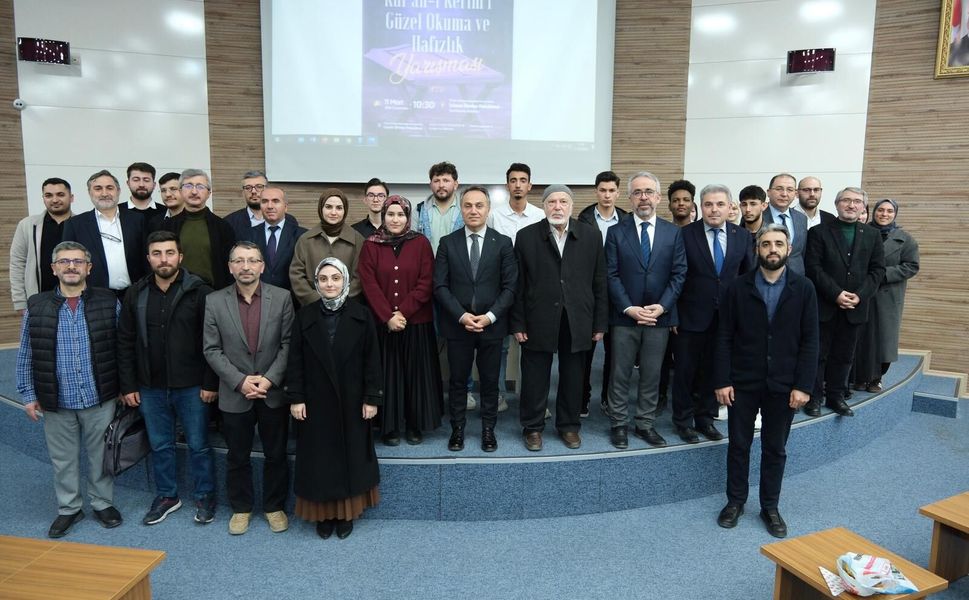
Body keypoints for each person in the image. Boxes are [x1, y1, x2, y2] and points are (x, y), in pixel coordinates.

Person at [713, 224, 819, 539]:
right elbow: (723, 337)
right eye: (766, 244)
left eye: (778, 244)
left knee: (775, 448)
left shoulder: (804, 288)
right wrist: (722, 379)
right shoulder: (736, 287)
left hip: (784, 385)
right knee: (739, 445)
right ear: (757, 249)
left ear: (789, 249)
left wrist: (803, 386)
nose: (772, 249)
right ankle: (735, 501)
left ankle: (770, 506)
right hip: (742, 382)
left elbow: (811, 341)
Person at [16, 241, 124, 538]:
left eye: (78, 261)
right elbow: (26, 352)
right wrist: (28, 394)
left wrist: (124, 387)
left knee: (101, 456)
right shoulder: (36, 305)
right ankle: (69, 508)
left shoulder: (107, 301)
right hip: (57, 399)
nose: (71, 266)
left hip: (99, 395)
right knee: (63, 459)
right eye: (64, 262)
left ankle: (102, 504)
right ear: (54, 269)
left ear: (89, 268)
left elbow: (122, 348)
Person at [117, 231, 218, 526]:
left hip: (193, 387)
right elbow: (125, 342)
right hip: (150, 387)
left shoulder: (200, 292)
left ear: (180, 257)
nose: (164, 259)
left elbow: (212, 342)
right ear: (149, 259)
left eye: (170, 253)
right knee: (161, 445)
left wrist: (210, 383)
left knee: (199, 445)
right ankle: (167, 496)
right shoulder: (135, 293)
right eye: (157, 254)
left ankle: (205, 495)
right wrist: (129, 385)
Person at [286, 258, 382, 540]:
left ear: (345, 282)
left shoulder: (362, 315)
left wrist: (371, 398)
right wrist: (296, 398)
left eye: (335, 278)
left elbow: (372, 361)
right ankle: (323, 515)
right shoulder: (304, 316)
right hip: (315, 401)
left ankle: (345, 514)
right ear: (316, 283)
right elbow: (295, 361)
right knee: (319, 459)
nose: (330, 284)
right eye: (324, 279)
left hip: (352, 401)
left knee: (349, 456)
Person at [203, 241, 294, 535]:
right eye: (239, 261)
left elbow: (288, 344)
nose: (246, 266)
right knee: (237, 456)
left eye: (252, 260)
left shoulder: (282, 298)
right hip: (235, 392)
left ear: (262, 266)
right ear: (230, 267)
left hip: (272, 391)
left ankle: (274, 506)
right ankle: (241, 508)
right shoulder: (215, 301)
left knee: (276, 454)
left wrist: (268, 379)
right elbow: (211, 349)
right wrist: (241, 381)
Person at [512, 185, 607, 451]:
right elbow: (518, 284)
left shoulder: (590, 236)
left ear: (571, 206)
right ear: (543, 206)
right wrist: (517, 322)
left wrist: (600, 323)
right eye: (551, 201)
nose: (557, 206)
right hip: (537, 317)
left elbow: (600, 282)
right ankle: (532, 427)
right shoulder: (526, 237)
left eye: (563, 201)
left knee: (574, 376)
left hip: (578, 318)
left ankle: (569, 425)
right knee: (534, 376)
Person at [604, 172, 686, 449]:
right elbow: (611, 274)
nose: (644, 197)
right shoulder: (616, 232)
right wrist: (629, 308)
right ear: (629, 198)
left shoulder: (673, 233)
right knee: (620, 372)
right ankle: (618, 424)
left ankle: (645, 424)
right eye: (638, 192)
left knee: (652, 373)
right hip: (624, 316)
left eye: (649, 191)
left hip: (658, 319)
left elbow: (679, 274)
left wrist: (661, 307)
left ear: (659, 197)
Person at [434, 187, 517, 452]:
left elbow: (510, 287)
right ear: (462, 208)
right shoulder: (448, 243)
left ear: (488, 209)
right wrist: (461, 316)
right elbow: (439, 286)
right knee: (458, 382)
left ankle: (488, 430)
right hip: (458, 327)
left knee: (490, 382)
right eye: (468, 205)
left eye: (479, 205)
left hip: (492, 327)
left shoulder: (502, 243)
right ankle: (457, 430)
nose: (473, 210)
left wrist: (490, 316)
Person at [671, 184, 753, 443]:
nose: (714, 209)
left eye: (720, 204)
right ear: (700, 207)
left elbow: (747, 277)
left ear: (730, 207)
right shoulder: (684, 235)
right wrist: (672, 313)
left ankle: (705, 419)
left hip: (727, 318)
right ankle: (683, 421)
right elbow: (675, 276)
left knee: (714, 369)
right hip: (690, 315)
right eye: (708, 204)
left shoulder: (742, 236)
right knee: (685, 371)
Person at [359, 195, 443, 446]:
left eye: (401, 214)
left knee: (414, 376)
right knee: (387, 375)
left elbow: (426, 282)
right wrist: (387, 317)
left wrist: (402, 313)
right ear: (383, 217)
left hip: (415, 323)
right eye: (390, 214)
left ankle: (414, 425)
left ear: (408, 217)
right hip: (382, 326)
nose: (395, 219)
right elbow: (369, 284)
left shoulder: (420, 243)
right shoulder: (371, 245)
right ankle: (390, 426)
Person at [804, 187, 885, 417]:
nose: (851, 205)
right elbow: (813, 267)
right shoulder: (818, 232)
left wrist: (860, 295)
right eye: (846, 200)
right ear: (837, 204)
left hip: (856, 307)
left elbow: (877, 270)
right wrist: (836, 293)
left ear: (863, 207)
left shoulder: (872, 235)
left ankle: (836, 397)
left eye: (857, 201)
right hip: (825, 305)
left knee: (844, 355)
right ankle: (814, 398)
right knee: (818, 354)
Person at [487, 163, 545, 412]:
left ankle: (533, 399)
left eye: (523, 180)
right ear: (507, 185)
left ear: (530, 185)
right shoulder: (494, 215)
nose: (518, 184)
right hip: (500, 290)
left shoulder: (540, 216)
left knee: (532, 348)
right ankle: (499, 395)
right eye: (513, 180)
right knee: (499, 346)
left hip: (532, 291)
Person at [852, 199, 919, 392]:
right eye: (880, 210)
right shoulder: (862, 232)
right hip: (862, 292)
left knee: (883, 339)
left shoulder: (905, 239)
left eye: (889, 211)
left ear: (895, 214)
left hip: (887, 296)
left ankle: (876, 378)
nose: (884, 214)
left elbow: (911, 266)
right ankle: (858, 377)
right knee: (859, 337)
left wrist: (882, 274)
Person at [577, 171, 628, 418]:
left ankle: (609, 399)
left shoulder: (627, 220)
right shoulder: (583, 219)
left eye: (611, 191)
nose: (607, 195)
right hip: (590, 295)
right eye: (602, 190)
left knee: (615, 352)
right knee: (585, 352)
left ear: (618, 193)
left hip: (618, 296)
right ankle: (583, 398)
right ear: (596, 191)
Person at [62, 169, 147, 297]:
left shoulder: (137, 220)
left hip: (135, 294)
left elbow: (146, 257)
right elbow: (68, 262)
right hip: (94, 296)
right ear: (89, 192)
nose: (104, 193)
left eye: (109, 188)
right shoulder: (75, 224)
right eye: (98, 188)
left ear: (118, 191)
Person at [160, 169, 236, 289]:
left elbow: (230, 266)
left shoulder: (222, 227)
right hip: (175, 292)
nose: (194, 191)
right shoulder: (167, 226)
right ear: (180, 191)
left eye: (200, 186)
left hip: (212, 292)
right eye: (188, 186)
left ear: (209, 192)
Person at [290, 188, 366, 306]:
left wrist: (340, 301)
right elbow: (296, 275)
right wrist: (316, 300)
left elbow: (361, 277)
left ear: (345, 210)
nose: (333, 212)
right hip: (313, 308)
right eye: (328, 207)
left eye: (339, 208)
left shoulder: (357, 240)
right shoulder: (305, 240)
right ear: (321, 209)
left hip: (348, 308)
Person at [11, 177, 75, 313]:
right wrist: (20, 302)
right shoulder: (27, 225)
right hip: (39, 300)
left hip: (76, 299)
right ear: (43, 198)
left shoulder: (82, 224)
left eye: (60, 194)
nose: (55, 200)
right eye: (49, 195)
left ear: (71, 198)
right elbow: (17, 263)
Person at [249, 185, 306, 293]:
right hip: (258, 300)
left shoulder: (302, 236)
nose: (270, 206)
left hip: (293, 302)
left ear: (285, 206)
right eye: (265, 201)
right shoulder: (248, 235)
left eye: (275, 201)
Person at [760, 174, 808, 275]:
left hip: (797, 278)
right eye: (779, 189)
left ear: (795, 194)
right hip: (766, 276)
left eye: (790, 190)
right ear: (768, 192)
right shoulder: (758, 217)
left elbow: (801, 252)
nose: (784, 194)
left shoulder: (801, 218)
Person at [414, 161, 464, 254]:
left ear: (456, 185)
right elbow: (411, 245)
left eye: (446, 180)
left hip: (455, 267)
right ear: (431, 185)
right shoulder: (418, 211)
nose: (441, 185)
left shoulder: (465, 211)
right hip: (427, 266)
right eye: (436, 181)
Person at [223, 170, 268, 241]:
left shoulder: (286, 221)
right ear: (243, 193)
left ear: (267, 190)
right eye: (248, 188)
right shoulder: (229, 223)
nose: (253, 191)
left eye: (259, 187)